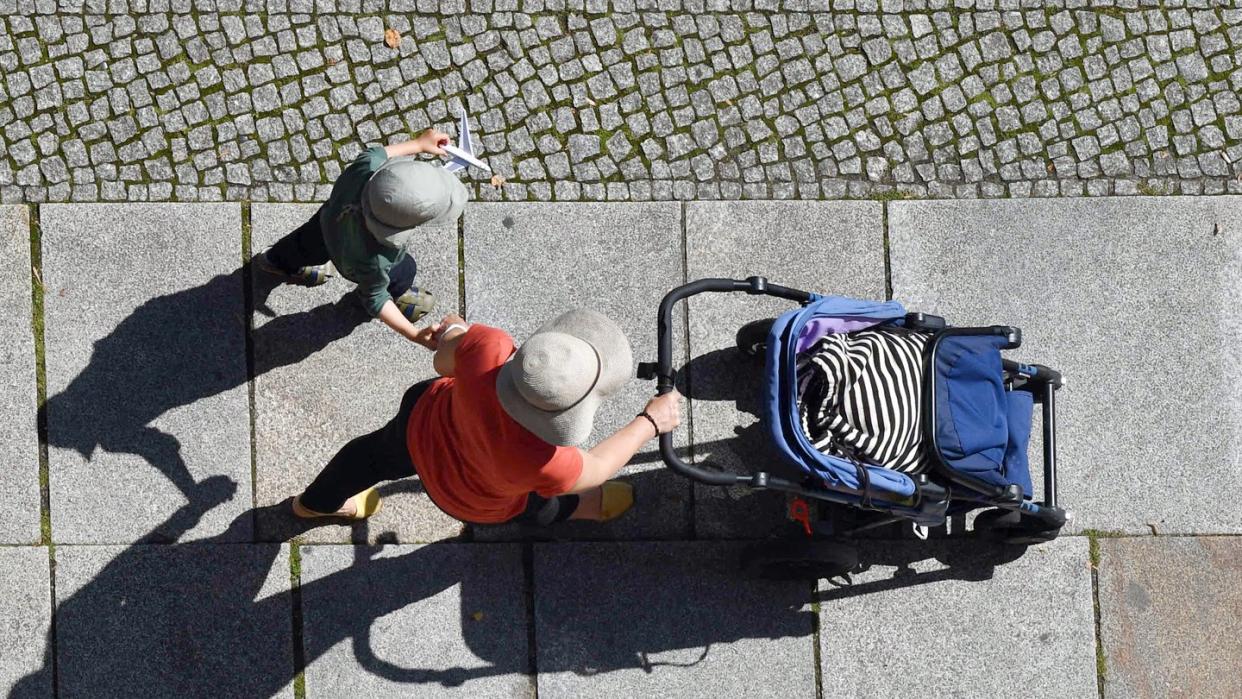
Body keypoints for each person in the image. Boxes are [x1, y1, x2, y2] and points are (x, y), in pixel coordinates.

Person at [291, 309, 683, 526]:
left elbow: (444, 361)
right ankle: (587, 509)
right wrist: (650, 421)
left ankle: (315, 504)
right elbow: (595, 468)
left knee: (368, 457)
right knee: (544, 506)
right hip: (469, 497)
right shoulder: (546, 461)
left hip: (422, 424)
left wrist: (458, 330)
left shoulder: (490, 345)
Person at [254, 129, 467, 340]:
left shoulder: (365, 168)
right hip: (354, 264)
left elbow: (376, 152)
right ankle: (399, 295)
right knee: (404, 270)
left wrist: (418, 144)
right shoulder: (378, 259)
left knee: (300, 246)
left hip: (325, 225)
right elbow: (375, 297)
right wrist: (413, 334)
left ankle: (274, 260)